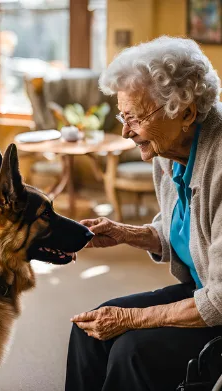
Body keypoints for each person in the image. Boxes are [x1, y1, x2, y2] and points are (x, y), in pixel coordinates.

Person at [66, 36, 222, 390]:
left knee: (131, 351)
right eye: (123, 115)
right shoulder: (167, 152)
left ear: (186, 113)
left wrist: (131, 319)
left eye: (134, 117)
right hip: (205, 293)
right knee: (90, 333)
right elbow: (181, 231)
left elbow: (220, 300)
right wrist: (127, 233)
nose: (124, 131)